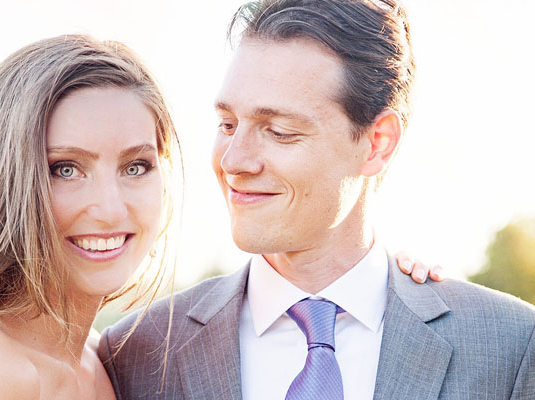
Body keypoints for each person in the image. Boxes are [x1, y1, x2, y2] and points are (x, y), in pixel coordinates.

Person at [99, 0, 535, 399]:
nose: (233, 161)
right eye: (228, 124)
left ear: (377, 143)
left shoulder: (511, 346)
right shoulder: (134, 356)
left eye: (279, 131)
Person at [0, 34, 179, 399]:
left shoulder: (99, 359)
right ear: (4, 183)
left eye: (135, 167)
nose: (111, 210)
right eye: (66, 169)